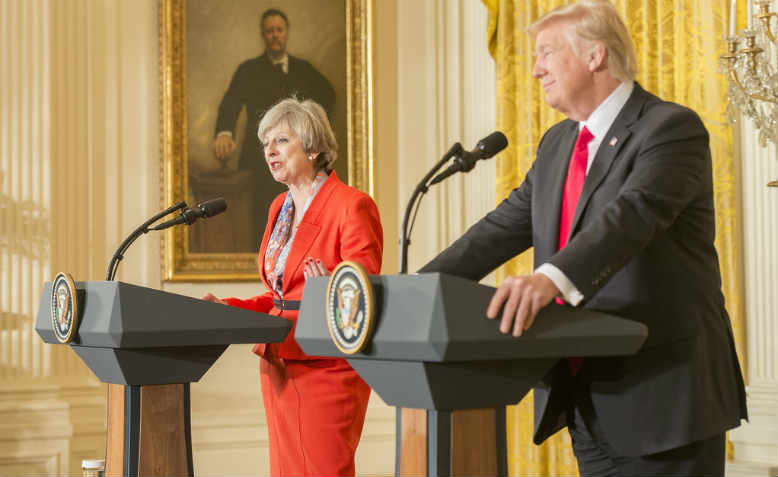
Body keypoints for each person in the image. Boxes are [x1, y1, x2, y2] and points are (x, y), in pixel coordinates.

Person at [418, 1, 747, 475]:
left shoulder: (669, 128)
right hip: (588, 403)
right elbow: (500, 229)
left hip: (665, 401)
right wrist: (414, 289)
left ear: (595, 55)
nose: (535, 71)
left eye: (546, 53)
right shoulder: (557, 144)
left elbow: (632, 216)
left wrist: (549, 279)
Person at [203, 98, 382, 476]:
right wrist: (226, 308)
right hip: (279, 364)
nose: (269, 151)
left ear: (314, 147)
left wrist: (329, 291)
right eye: (265, 142)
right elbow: (279, 296)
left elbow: (361, 296)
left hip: (327, 368)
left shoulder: (352, 206)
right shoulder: (278, 209)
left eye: (281, 140)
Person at [213, 8, 336, 249]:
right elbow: (230, 103)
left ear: (286, 33)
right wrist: (224, 133)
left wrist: (311, 128)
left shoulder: (303, 69)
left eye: (279, 30)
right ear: (263, 36)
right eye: (269, 32)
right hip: (258, 160)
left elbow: (329, 96)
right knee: (262, 216)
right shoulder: (248, 70)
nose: (275, 35)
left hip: (297, 159)